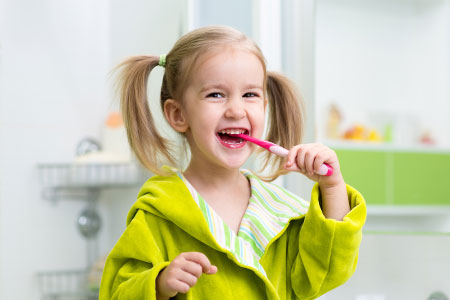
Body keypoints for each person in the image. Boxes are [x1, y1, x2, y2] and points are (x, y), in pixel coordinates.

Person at [99, 25, 366, 300]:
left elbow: (328, 270)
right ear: (178, 114)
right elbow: (117, 292)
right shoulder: (158, 213)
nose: (237, 110)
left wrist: (332, 187)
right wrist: (158, 284)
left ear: (264, 107)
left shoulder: (281, 212)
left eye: (250, 95)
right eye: (216, 94)